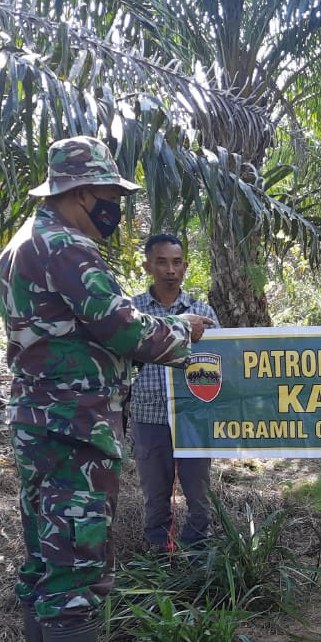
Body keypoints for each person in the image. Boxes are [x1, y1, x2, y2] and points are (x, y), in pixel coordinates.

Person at [0, 136, 212, 642]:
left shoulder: (23, 244)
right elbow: (124, 329)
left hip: (43, 422)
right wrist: (184, 332)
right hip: (73, 428)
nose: (115, 206)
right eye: (109, 195)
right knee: (75, 557)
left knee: (45, 553)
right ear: (80, 192)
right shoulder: (64, 247)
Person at [129, 234, 220, 550]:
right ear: (147, 266)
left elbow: (220, 363)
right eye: (162, 262)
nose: (170, 269)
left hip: (194, 418)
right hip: (148, 415)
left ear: (186, 267)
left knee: (199, 493)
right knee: (155, 494)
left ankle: (197, 556)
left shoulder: (202, 312)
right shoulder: (132, 312)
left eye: (177, 262)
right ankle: (158, 557)